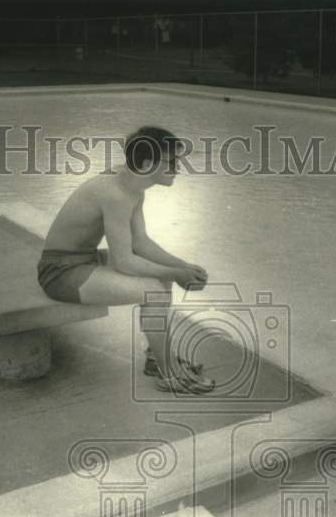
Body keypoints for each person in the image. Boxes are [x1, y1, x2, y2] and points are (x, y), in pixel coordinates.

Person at [36, 126, 215, 394]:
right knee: (156, 291)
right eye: (172, 162)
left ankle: (157, 358)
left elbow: (139, 243)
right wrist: (175, 274)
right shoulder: (116, 194)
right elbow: (124, 262)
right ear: (147, 164)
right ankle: (169, 375)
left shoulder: (131, 183)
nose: (178, 167)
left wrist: (181, 266)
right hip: (59, 273)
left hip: (83, 260)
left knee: (161, 280)